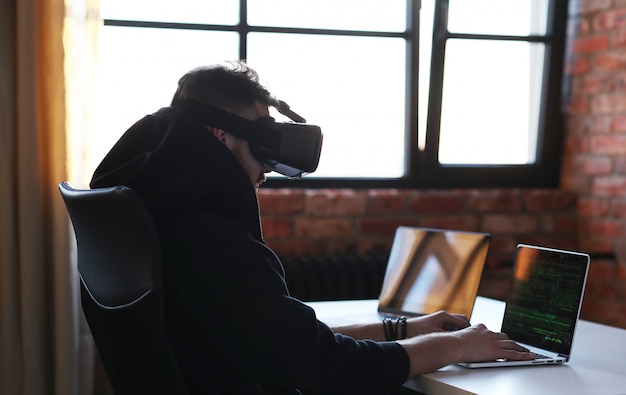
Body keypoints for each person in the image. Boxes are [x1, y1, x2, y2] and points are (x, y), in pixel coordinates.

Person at [90, 61, 534, 394]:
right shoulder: (209, 235)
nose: (266, 168)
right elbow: (325, 367)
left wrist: (408, 330)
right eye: (260, 140)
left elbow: (286, 342)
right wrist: (456, 347)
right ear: (219, 136)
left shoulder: (156, 210)